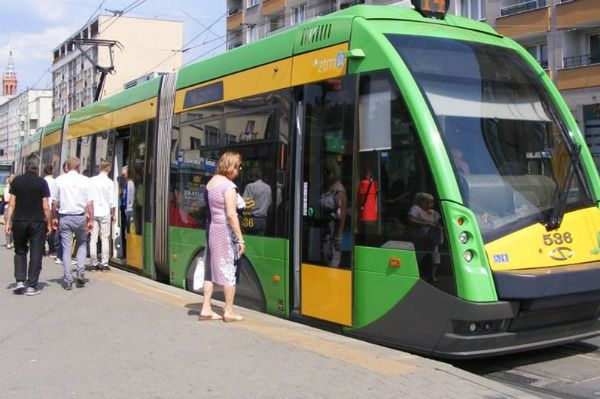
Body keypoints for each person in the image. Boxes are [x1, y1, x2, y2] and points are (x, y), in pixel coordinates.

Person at [199, 151, 245, 323]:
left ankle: (205, 308)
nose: (239, 170)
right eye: (238, 167)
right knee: (230, 269)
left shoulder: (211, 183)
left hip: (212, 230)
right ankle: (229, 310)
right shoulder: (228, 186)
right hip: (225, 233)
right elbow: (231, 215)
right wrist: (240, 239)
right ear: (231, 167)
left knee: (210, 268)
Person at [5, 155, 51, 295]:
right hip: (37, 222)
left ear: (25, 166)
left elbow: (11, 203)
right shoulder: (41, 182)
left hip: (19, 221)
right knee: (36, 252)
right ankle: (31, 286)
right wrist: (48, 223)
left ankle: (19, 282)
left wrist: (8, 222)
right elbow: (45, 206)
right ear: (37, 167)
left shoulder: (17, 181)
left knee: (20, 250)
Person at [53, 156, 94, 290]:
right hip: (80, 217)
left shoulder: (59, 180)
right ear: (79, 167)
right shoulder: (86, 181)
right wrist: (91, 220)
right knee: (82, 243)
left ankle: (68, 279)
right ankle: (80, 272)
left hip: (64, 217)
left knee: (66, 248)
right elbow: (89, 203)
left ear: (67, 167)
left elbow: (54, 202)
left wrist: (54, 217)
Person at [408, 192, 444, 283]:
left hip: (432, 239)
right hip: (419, 239)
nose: (431, 203)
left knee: (435, 258)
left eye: (432, 201)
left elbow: (440, 223)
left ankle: (433, 276)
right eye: (429, 201)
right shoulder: (416, 209)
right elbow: (411, 220)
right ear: (422, 201)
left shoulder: (434, 213)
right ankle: (417, 275)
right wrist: (427, 224)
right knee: (418, 257)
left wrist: (439, 227)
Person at [319, 156, 347, 267]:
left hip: (333, 234)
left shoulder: (339, 191)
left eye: (328, 172)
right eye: (324, 171)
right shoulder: (326, 187)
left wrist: (339, 237)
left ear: (334, 173)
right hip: (325, 233)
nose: (325, 175)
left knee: (332, 263)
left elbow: (342, 215)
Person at [89, 160, 116, 271]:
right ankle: (104, 263)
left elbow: (89, 198)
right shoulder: (110, 183)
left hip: (94, 212)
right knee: (105, 238)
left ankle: (94, 263)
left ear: (100, 168)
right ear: (108, 169)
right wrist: (113, 214)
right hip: (105, 212)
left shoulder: (92, 181)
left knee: (93, 238)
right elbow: (112, 201)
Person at [242, 167, 272, 235]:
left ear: (254, 176)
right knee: (260, 242)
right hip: (262, 220)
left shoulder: (250, 186)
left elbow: (244, 203)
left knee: (248, 241)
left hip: (251, 219)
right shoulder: (268, 187)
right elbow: (269, 202)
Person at [53, 161, 69, 265]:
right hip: (62, 211)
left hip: (71, 212)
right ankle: (60, 256)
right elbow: (55, 200)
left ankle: (64, 257)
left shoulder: (79, 180)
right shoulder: (59, 180)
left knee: (66, 236)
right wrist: (54, 215)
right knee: (61, 235)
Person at [43, 164, 57, 256]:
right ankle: (52, 248)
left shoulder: (42, 181)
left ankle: (42, 247)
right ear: (52, 171)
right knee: (52, 227)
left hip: (43, 206)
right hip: (53, 207)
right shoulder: (56, 181)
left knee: (43, 227)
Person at [4, 174, 15, 249]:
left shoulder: (16, 187)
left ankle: (12, 241)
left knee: (13, 226)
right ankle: (8, 242)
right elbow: (6, 199)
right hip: (8, 208)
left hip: (16, 209)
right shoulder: (7, 188)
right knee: (8, 225)